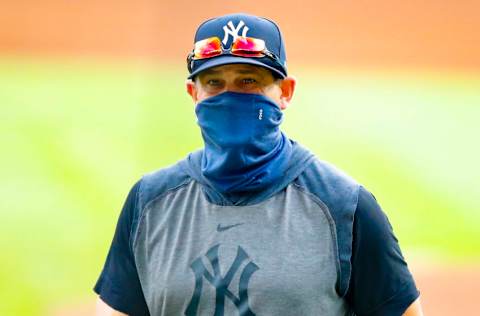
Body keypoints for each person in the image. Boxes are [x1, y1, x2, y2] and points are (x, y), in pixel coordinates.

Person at [94, 13, 424, 316]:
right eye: (214, 82)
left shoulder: (344, 206)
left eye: (248, 80)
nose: (230, 95)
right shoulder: (149, 202)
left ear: (286, 92)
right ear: (193, 93)